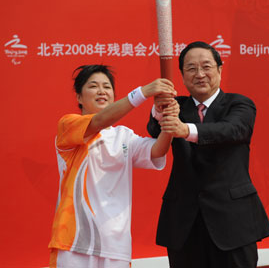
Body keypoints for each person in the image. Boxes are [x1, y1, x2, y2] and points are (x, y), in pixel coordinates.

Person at [148, 41, 269, 268]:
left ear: (219, 69)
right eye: (191, 68)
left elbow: (231, 130)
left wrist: (185, 130)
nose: (200, 74)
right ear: (182, 75)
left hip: (232, 222)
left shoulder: (239, 104)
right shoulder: (177, 106)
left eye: (206, 66)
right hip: (185, 223)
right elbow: (155, 130)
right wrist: (159, 108)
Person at [48, 64, 179, 268]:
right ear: (79, 98)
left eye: (107, 87)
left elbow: (157, 151)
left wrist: (168, 120)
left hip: (116, 246)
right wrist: (142, 93)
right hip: (75, 242)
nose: (102, 91)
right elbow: (100, 120)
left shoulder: (124, 136)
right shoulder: (69, 126)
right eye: (93, 86)